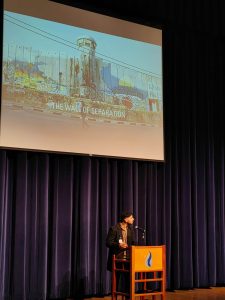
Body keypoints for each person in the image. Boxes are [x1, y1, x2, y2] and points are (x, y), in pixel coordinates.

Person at [106, 212, 136, 297]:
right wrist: (119, 245)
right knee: (116, 281)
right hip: (117, 259)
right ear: (125, 219)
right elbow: (108, 243)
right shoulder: (114, 229)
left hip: (128, 259)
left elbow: (133, 243)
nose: (133, 219)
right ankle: (114, 297)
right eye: (131, 217)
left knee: (128, 281)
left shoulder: (130, 230)